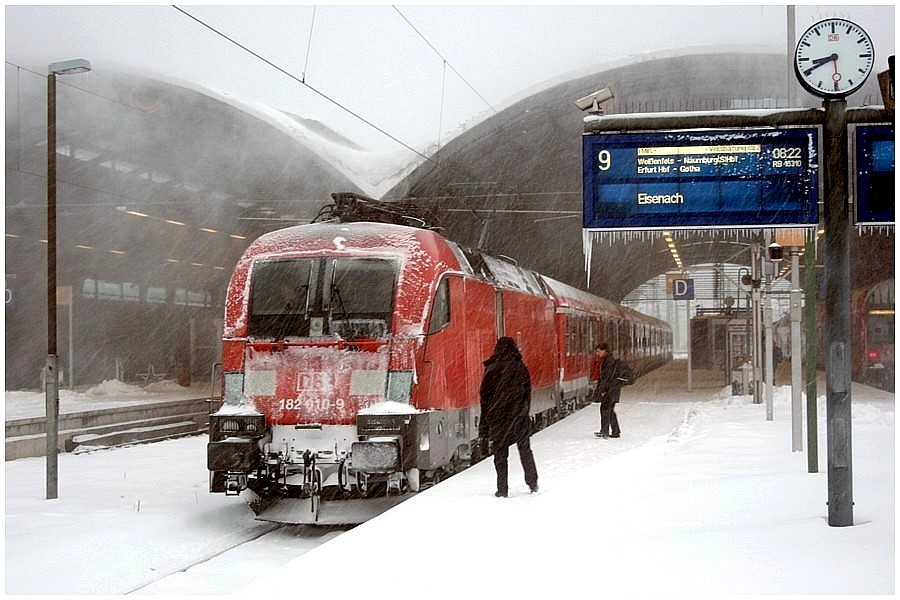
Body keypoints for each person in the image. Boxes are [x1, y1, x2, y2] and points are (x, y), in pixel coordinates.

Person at [478, 337, 539, 497]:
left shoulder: (491, 369)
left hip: (498, 417)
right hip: (518, 416)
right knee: (525, 450)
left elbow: (485, 398)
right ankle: (532, 483)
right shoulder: (521, 368)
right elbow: (527, 393)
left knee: (500, 454)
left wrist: (485, 424)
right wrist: (524, 411)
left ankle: (502, 489)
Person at [590, 342, 634, 438]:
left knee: (605, 409)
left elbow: (607, 377)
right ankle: (615, 431)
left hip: (610, 389)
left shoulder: (607, 361)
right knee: (609, 410)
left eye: (598, 351)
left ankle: (605, 431)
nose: (597, 353)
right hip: (613, 388)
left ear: (604, 351)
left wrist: (604, 390)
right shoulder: (607, 360)